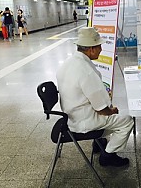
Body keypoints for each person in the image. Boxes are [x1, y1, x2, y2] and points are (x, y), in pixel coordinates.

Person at [56, 27, 134, 167]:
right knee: (126, 121)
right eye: (99, 47)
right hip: (84, 121)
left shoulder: (68, 63)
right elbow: (101, 109)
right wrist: (112, 110)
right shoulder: (86, 71)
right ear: (91, 49)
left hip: (71, 116)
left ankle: (100, 143)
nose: (101, 50)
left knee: (112, 120)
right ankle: (108, 156)